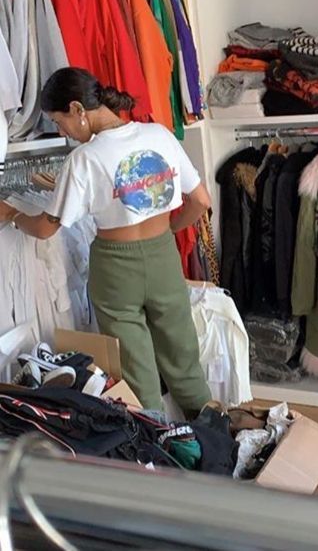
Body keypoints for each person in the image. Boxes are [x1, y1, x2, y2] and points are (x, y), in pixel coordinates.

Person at [0, 68, 212, 416]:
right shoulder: (158, 134)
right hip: (163, 256)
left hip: (116, 268)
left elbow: (44, 229)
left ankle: (156, 453)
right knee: (183, 355)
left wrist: (11, 213)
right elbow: (201, 201)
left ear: (76, 109)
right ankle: (213, 436)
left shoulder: (83, 159)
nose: (61, 131)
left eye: (59, 121)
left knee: (136, 368)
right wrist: (169, 233)